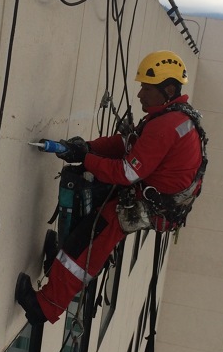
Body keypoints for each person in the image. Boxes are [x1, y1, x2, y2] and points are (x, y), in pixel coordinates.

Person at [15, 50, 207, 326]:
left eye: (145, 88)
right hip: (152, 196)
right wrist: (88, 148)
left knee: (87, 243)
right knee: (85, 225)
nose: (140, 94)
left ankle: (44, 308)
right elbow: (127, 144)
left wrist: (85, 157)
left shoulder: (167, 125)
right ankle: (58, 267)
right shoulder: (172, 116)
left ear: (167, 88)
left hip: (145, 202)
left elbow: (127, 171)